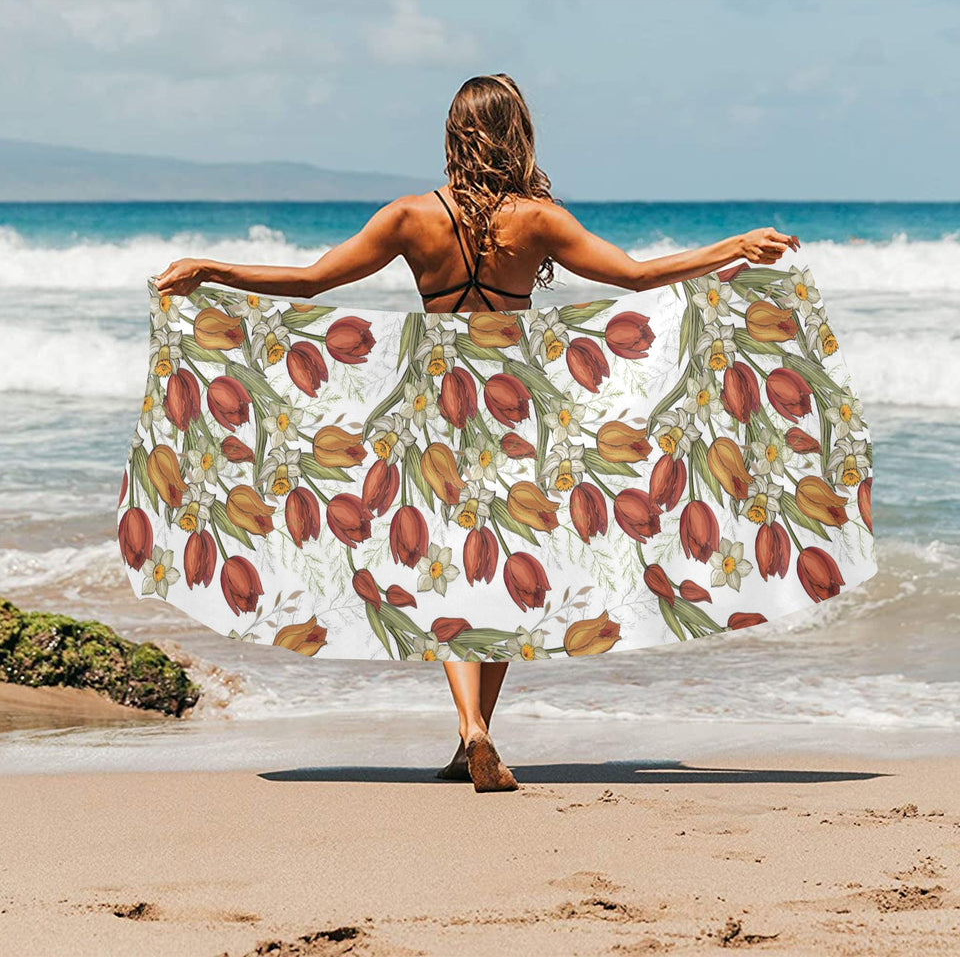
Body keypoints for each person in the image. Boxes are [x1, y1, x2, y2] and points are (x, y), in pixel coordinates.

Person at [153, 73, 799, 792]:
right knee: (502, 565)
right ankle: (477, 732)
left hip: (435, 403)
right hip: (514, 403)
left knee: (454, 568)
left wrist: (211, 268)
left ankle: (471, 734)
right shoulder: (539, 219)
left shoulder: (409, 217)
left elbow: (310, 283)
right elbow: (638, 278)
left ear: (455, 134)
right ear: (517, 133)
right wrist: (730, 246)